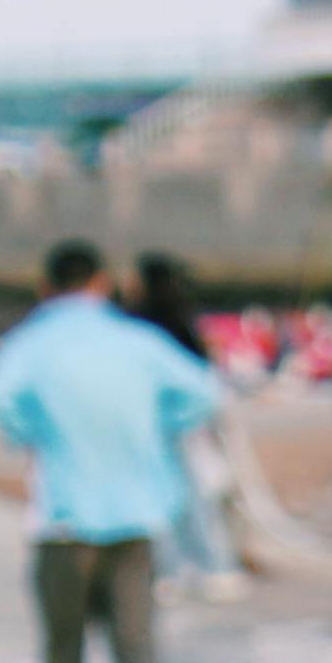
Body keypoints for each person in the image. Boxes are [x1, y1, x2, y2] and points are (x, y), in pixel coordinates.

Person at [0, 240, 225, 663]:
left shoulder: (32, 343)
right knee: (138, 652)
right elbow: (203, 391)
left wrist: (36, 434)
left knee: (63, 652)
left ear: (48, 287)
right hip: (137, 519)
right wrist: (157, 429)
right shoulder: (136, 341)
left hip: (61, 523)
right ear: (101, 283)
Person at [120, 250, 246, 595]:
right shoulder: (182, 322)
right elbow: (206, 380)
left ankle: (178, 569)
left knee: (174, 497)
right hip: (183, 421)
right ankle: (209, 566)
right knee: (194, 495)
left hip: (162, 423)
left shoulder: (139, 327)